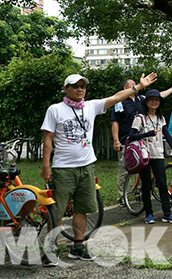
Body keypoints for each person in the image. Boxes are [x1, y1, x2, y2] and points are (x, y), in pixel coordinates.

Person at [41, 72, 157, 265]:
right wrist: (46, 166)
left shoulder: (90, 106)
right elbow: (48, 139)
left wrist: (138, 87)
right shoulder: (55, 110)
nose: (79, 89)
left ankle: (77, 247)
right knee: (57, 211)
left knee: (82, 209)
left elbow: (115, 98)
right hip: (63, 168)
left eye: (82, 86)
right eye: (75, 86)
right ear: (65, 89)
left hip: (87, 167)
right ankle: (51, 249)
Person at [111, 79, 172, 207]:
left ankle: (140, 195)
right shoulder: (120, 102)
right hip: (126, 141)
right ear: (125, 87)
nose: (137, 86)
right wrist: (116, 141)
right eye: (133, 85)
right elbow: (115, 122)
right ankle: (123, 196)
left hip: (144, 144)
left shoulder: (140, 99)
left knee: (144, 173)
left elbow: (157, 96)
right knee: (125, 169)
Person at [127, 89, 172, 224]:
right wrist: (146, 134)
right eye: (151, 100)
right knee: (146, 185)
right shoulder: (140, 118)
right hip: (144, 155)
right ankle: (149, 214)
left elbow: (166, 133)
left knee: (162, 184)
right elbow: (131, 136)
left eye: (157, 100)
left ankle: (167, 214)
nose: (154, 102)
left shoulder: (161, 118)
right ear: (146, 102)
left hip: (158, 154)